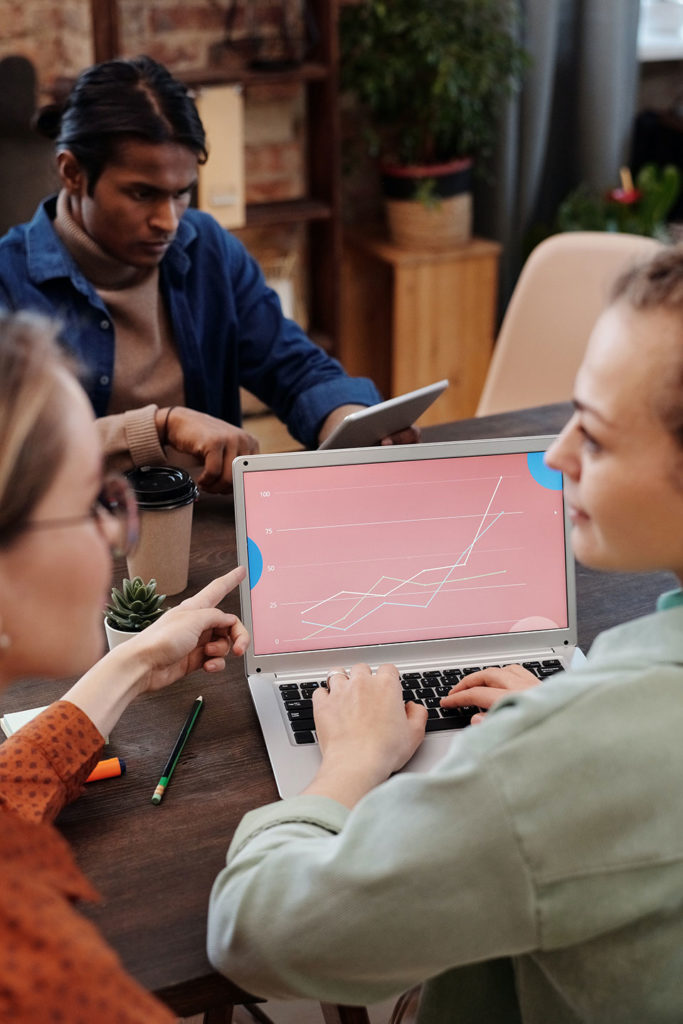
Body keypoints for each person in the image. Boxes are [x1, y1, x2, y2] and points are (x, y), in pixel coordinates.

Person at [206, 244, 683, 1023]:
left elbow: (252, 930)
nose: (555, 455)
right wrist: (563, 712)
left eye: (592, 436)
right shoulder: (582, 731)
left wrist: (348, 769)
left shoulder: (561, 758)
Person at [0, 309, 249, 1022]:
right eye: (92, 502)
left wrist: (136, 663)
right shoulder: (41, 972)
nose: (116, 534)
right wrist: (340, 780)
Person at [0, 55, 399, 495]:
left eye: (181, 192)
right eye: (142, 194)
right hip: (73, 535)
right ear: (72, 173)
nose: (168, 221)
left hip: (205, 522)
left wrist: (347, 421)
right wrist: (160, 428)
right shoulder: (9, 280)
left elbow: (294, 367)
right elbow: (16, 451)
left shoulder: (207, 247)